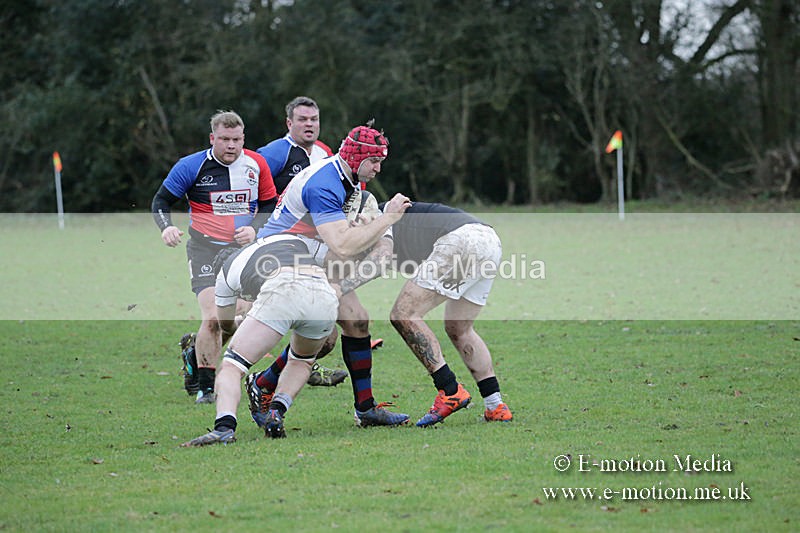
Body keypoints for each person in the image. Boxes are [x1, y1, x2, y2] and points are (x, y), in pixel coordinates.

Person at [247, 122, 413, 428]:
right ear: (356, 157)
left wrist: (366, 229)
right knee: (321, 336)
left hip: (310, 252)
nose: (378, 169)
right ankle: (262, 385)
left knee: (356, 320)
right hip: (281, 255)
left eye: (380, 161)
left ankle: (365, 409)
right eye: (374, 161)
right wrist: (387, 218)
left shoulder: (350, 178)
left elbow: (342, 234)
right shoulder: (325, 183)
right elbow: (343, 244)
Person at [333, 201, 513, 426]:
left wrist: (337, 289)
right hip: (488, 240)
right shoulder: (368, 226)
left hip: (459, 239)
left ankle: (450, 390)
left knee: (403, 314)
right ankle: (495, 406)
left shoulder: (378, 217)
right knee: (460, 329)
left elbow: (380, 259)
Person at [151, 110, 277, 404]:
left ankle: (196, 352)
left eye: (236, 139)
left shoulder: (257, 164)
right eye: (224, 139)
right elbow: (160, 201)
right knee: (212, 317)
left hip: (243, 252)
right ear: (212, 138)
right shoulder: (191, 166)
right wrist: (166, 227)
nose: (231, 145)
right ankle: (206, 389)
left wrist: (254, 229)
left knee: (236, 317)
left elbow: (270, 204)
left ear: (243, 138)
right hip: (204, 249)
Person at [181, 234, 340, 445]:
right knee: (302, 361)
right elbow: (333, 255)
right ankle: (276, 412)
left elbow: (225, 325)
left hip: (282, 289)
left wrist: (242, 324)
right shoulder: (287, 238)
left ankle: (224, 428)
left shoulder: (225, 272)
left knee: (232, 366)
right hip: (324, 293)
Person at [254, 96, 348, 387]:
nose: (309, 125)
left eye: (314, 119)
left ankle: (300, 368)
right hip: (278, 243)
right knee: (254, 314)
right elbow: (252, 190)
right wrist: (249, 229)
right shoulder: (274, 153)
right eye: (303, 120)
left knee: (323, 320)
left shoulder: (325, 153)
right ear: (289, 123)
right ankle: (202, 350)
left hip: (313, 246)